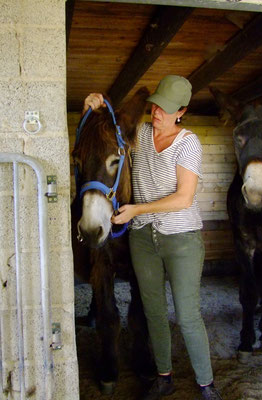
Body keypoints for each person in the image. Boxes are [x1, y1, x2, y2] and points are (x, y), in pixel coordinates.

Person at [83, 75, 223, 400]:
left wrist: (136, 210)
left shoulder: (189, 143)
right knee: (154, 312)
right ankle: (163, 377)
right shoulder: (141, 134)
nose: (157, 111)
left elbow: (183, 199)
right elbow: (114, 126)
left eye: (166, 108)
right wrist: (99, 103)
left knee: (187, 315)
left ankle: (207, 384)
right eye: (155, 104)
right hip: (144, 238)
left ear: (182, 111)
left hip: (181, 238)